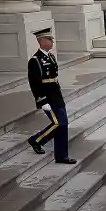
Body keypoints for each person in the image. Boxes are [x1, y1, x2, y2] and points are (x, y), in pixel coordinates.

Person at [26, 28, 76, 164]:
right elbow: (34, 83)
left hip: (56, 95)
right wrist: (42, 100)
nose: (52, 42)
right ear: (41, 41)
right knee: (59, 123)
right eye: (49, 39)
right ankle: (37, 140)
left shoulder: (51, 57)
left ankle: (61, 156)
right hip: (47, 97)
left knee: (63, 125)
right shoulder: (35, 60)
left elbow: (54, 78)